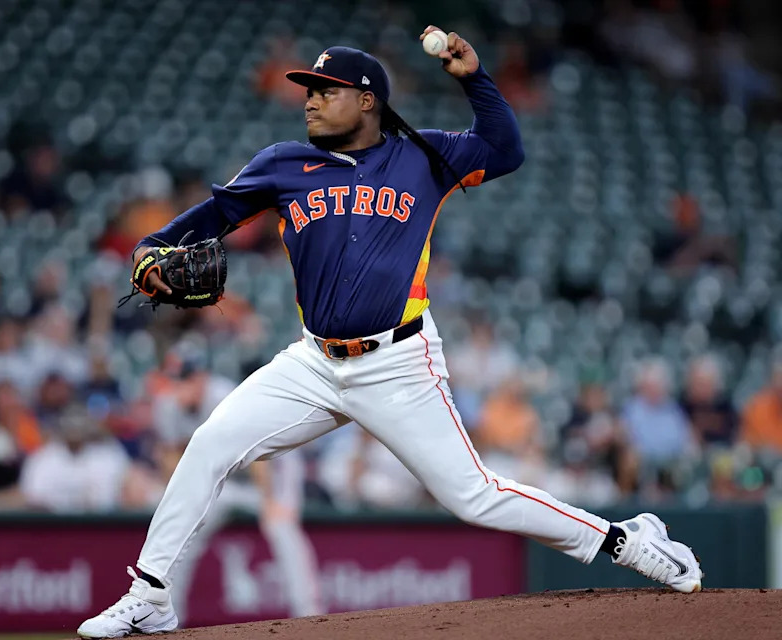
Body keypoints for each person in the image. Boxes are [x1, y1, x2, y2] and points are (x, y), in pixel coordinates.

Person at [77, 31, 702, 638]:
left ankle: (626, 540)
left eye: (327, 89)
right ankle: (150, 597)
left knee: (473, 496)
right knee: (210, 443)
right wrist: (150, 252)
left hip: (399, 363)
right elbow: (199, 222)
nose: (311, 99)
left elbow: (506, 150)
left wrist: (475, 80)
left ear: (368, 99)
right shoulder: (283, 166)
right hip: (313, 364)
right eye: (308, 90)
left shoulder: (424, 155)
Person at [151, 342, 324, 623]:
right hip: (227, 477)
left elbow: (255, 453)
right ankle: (168, 614)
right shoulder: (167, 405)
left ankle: (309, 612)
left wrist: (270, 502)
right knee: (186, 529)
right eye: (176, 380)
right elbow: (172, 456)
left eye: (186, 379)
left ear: (202, 378)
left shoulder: (223, 396)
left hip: (273, 464)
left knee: (281, 527)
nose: (179, 387)